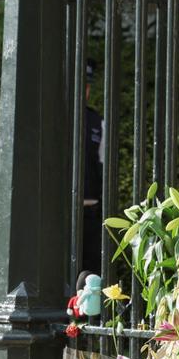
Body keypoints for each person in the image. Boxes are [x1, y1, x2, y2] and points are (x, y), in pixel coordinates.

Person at [81, 59, 105, 279]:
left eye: (87, 85)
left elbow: (103, 167)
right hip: (59, 214)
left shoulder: (97, 122)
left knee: (91, 276)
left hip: (89, 213)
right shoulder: (55, 118)